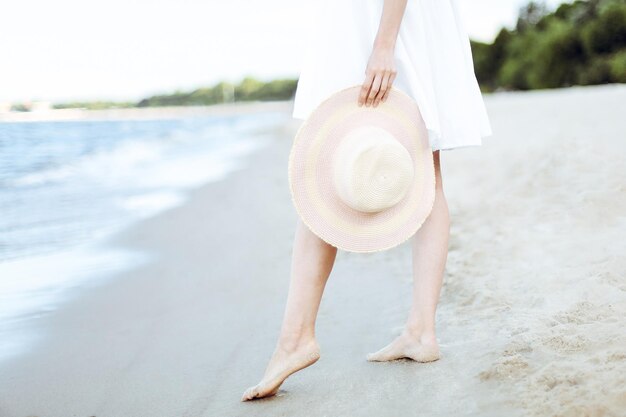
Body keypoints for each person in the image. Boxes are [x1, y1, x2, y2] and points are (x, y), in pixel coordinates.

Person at [241, 0, 492, 401]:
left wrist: (384, 43)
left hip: (384, 20)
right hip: (379, 18)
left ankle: (296, 339)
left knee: (327, 165)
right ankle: (420, 331)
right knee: (420, 167)